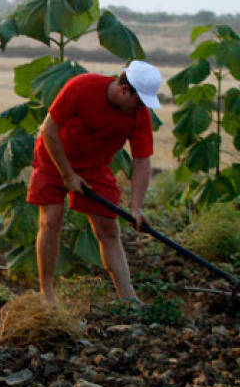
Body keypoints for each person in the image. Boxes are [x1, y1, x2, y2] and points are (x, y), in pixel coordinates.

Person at [27, 60, 163, 305]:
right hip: (53, 157)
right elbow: (48, 130)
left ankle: (129, 300)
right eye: (139, 101)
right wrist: (68, 175)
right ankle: (47, 295)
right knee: (51, 220)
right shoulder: (83, 86)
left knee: (109, 229)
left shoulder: (139, 115)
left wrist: (136, 208)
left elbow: (142, 161)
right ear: (125, 90)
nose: (141, 108)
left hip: (94, 167)